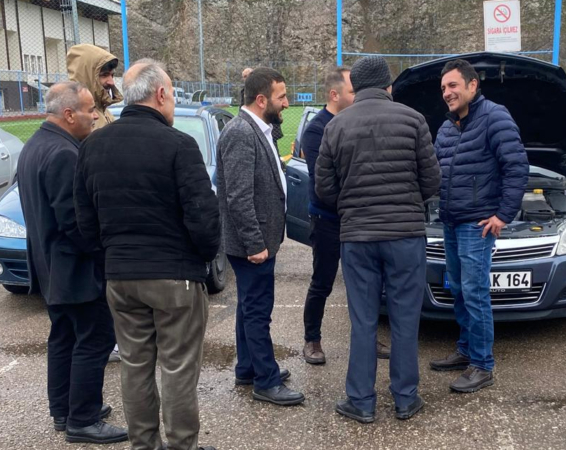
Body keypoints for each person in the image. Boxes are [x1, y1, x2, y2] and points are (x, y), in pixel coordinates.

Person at [74, 59, 220, 450]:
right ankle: (181, 445)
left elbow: (85, 222)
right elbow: (204, 217)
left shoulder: (92, 146)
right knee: (177, 368)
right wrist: (204, 259)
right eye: (171, 94)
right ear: (160, 94)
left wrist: (110, 259)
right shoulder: (178, 145)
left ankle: (144, 444)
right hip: (174, 276)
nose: (172, 102)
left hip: (121, 276)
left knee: (135, 365)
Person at [316, 55, 440, 423]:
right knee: (405, 318)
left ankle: (361, 401)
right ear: (389, 86)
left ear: (355, 87)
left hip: (358, 237)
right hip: (405, 237)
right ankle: (405, 399)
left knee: (364, 320)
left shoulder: (336, 126)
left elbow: (324, 188)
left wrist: (353, 204)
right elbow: (432, 181)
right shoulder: (413, 119)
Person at [17, 82, 127, 444]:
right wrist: (103, 254)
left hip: (51, 269)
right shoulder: (64, 153)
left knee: (64, 338)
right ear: (68, 114)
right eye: (88, 109)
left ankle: (64, 409)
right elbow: (74, 222)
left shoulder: (35, 145)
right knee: (94, 339)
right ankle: (83, 418)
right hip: (74, 270)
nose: (95, 115)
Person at [429, 59, 529, 393]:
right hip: (451, 221)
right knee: (457, 288)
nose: (447, 93)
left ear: (473, 86)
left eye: (453, 86)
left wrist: (503, 215)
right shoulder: (445, 128)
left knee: (474, 292)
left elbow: (516, 166)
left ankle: (483, 364)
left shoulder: (494, 116)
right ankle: (465, 350)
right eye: (443, 88)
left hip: (477, 224)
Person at [217, 67, 305, 406]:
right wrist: (255, 244)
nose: (287, 103)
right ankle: (265, 381)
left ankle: (247, 367)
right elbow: (238, 196)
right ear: (261, 99)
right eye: (281, 97)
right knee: (257, 311)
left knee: (249, 306)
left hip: (260, 241)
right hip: (252, 245)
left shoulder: (258, 127)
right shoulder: (241, 132)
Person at [300, 66, 390, 364]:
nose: (358, 96)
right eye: (353, 91)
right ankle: (312, 339)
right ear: (334, 94)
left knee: (366, 283)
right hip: (328, 218)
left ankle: (369, 338)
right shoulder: (316, 129)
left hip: (357, 216)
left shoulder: (359, 121)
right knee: (323, 281)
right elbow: (323, 180)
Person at [67, 43, 124, 363]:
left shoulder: (105, 115)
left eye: (112, 73)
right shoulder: (84, 122)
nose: (109, 80)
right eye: (104, 73)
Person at [67, 44, 123, 129]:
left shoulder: (103, 110)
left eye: (112, 75)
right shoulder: (77, 116)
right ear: (87, 76)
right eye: (104, 75)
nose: (111, 82)